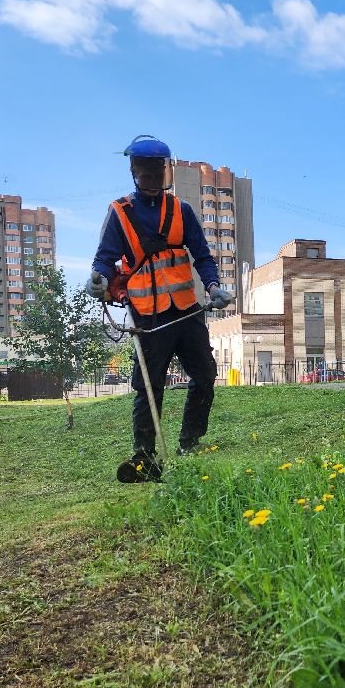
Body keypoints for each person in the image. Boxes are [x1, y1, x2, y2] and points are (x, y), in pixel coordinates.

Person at [86, 135, 234, 482]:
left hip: (186, 311)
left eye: (158, 167)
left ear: (165, 169)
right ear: (133, 170)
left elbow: (201, 254)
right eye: (145, 168)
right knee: (148, 387)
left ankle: (190, 442)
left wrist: (213, 286)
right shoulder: (119, 213)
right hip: (148, 316)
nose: (152, 174)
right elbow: (104, 259)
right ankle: (144, 456)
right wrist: (98, 277)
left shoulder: (181, 210)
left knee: (204, 376)